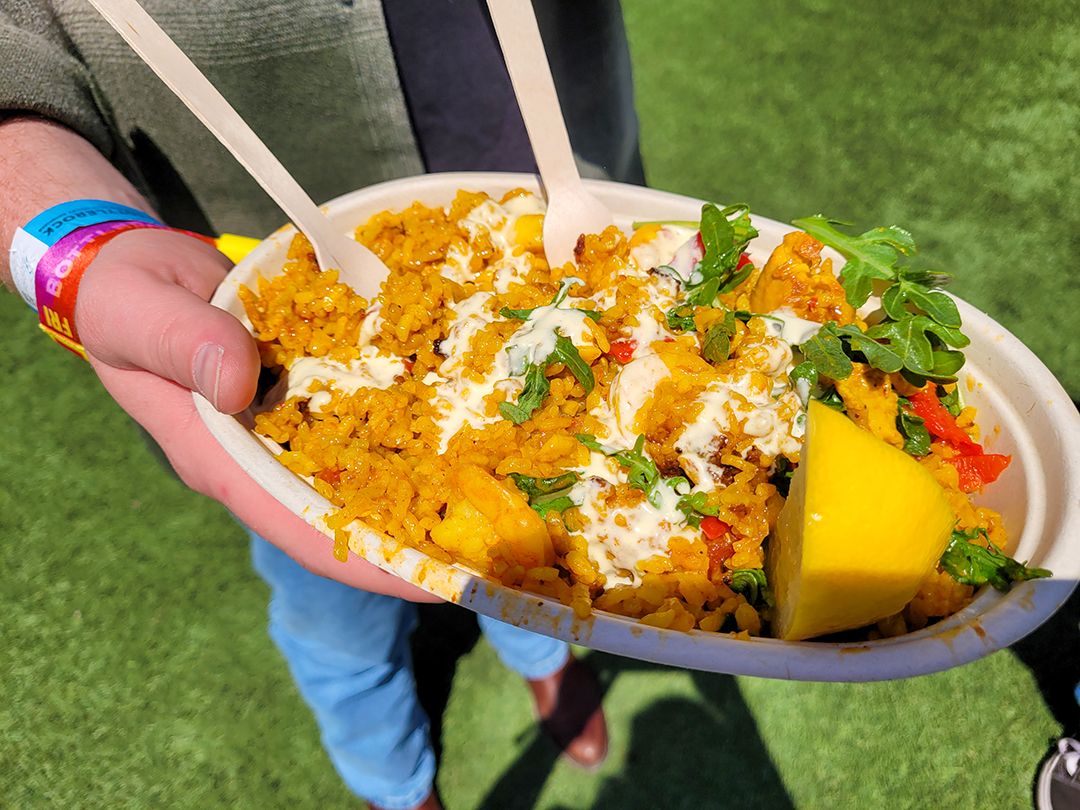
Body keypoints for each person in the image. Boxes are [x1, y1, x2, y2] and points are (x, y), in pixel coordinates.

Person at [0, 2, 646, 808]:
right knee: (336, 624)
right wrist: (72, 244)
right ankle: (394, 782)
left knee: (544, 529)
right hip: (267, 313)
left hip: (562, 201)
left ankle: (545, 660)